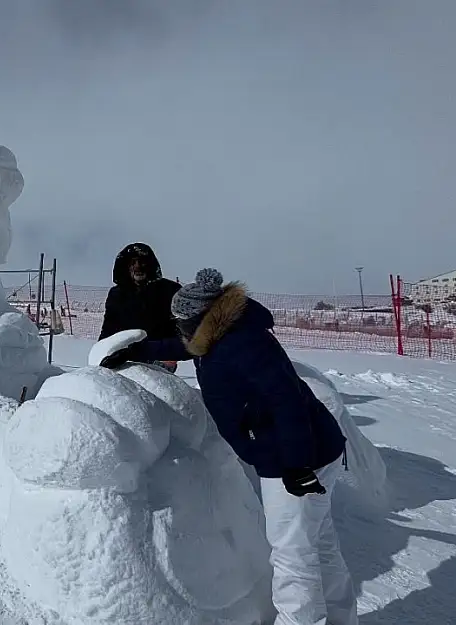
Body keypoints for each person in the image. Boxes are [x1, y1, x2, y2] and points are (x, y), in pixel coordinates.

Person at [102, 268, 355, 625]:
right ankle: (343, 619)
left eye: (180, 322)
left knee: (292, 555)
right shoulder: (223, 334)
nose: (178, 328)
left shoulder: (244, 345)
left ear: (201, 319)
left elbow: (288, 402)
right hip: (310, 448)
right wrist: (140, 350)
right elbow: (186, 347)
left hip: (293, 460)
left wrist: (297, 465)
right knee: (319, 544)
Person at [98, 242, 182, 372]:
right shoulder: (117, 294)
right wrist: (101, 351)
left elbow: (181, 327)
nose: (138, 267)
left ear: (151, 265)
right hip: (124, 357)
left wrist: (170, 357)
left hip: (160, 357)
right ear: (126, 266)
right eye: (133, 263)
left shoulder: (170, 290)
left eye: (143, 262)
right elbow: (109, 326)